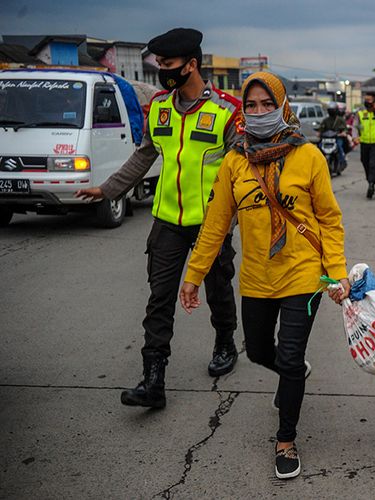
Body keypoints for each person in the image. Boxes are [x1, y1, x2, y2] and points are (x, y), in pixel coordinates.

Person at [179, 71, 350, 480]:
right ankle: (292, 372)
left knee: (289, 358)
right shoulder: (235, 161)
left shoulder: (308, 156)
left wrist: (337, 273)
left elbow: (329, 219)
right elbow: (216, 223)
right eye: (250, 106)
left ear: (281, 106)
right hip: (257, 276)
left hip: (302, 274)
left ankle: (286, 440)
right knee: (256, 351)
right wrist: (194, 273)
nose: (258, 113)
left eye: (266, 105)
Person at [75, 28, 241, 408]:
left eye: (168, 65)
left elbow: (240, 173)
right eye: (160, 65)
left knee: (217, 290)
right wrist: (107, 189)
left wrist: (229, 222)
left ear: (192, 65)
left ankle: (225, 341)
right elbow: (144, 155)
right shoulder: (160, 108)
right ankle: (153, 380)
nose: (163, 71)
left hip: (210, 224)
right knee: (159, 298)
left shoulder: (226, 111)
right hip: (167, 221)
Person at [318, 101, 348, 169]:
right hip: (326, 139)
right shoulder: (325, 120)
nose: (331, 111)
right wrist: (319, 133)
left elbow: (345, 129)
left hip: (337, 138)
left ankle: (342, 161)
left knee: (339, 146)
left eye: (333, 110)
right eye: (330, 110)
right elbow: (321, 128)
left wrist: (343, 133)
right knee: (319, 147)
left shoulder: (340, 120)